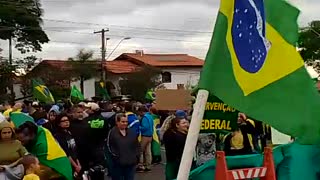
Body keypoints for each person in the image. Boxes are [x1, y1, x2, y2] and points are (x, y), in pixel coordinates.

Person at [107, 113, 140, 180]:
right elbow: (109, 147)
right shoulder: (112, 132)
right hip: (118, 165)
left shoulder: (131, 132)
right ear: (117, 122)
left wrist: (136, 156)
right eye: (123, 122)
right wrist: (116, 157)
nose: (125, 123)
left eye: (126, 122)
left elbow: (137, 145)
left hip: (131, 163)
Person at [54, 113, 82, 178]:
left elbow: (74, 150)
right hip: (67, 164)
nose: (66, 122)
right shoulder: (58, 136)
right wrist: (76, 166)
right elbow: (66, 153)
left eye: (67, 120)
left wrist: (78, 164)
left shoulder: (69, 133)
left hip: (75, 162)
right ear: (58, 123)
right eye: (63, 121)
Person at [136, 106, 154, 172]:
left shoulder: (145, 117)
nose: (139, 114)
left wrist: (138, 126)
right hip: (150, 136)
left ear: (141, 111)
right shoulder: (150, 116)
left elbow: (145, 127)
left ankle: (141, 165)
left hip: (145, 136)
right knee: (148, 152)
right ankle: (148, 165)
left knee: (141, 151)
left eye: (139, 112)